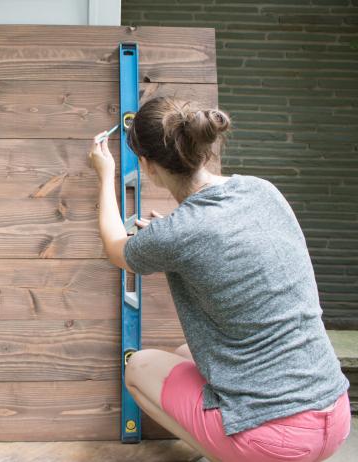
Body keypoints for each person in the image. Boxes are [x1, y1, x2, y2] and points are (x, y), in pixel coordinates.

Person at [87, 96, 351, 462]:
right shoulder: (262, 190)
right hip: (335, 413)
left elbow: (117, 249)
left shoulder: (179, 234)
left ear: (146, 166)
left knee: (140, 367)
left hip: (275, 441)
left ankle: (232, 453)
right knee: (185, 356)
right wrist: (171, 238)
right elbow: (228, 244)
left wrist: (104, 174)